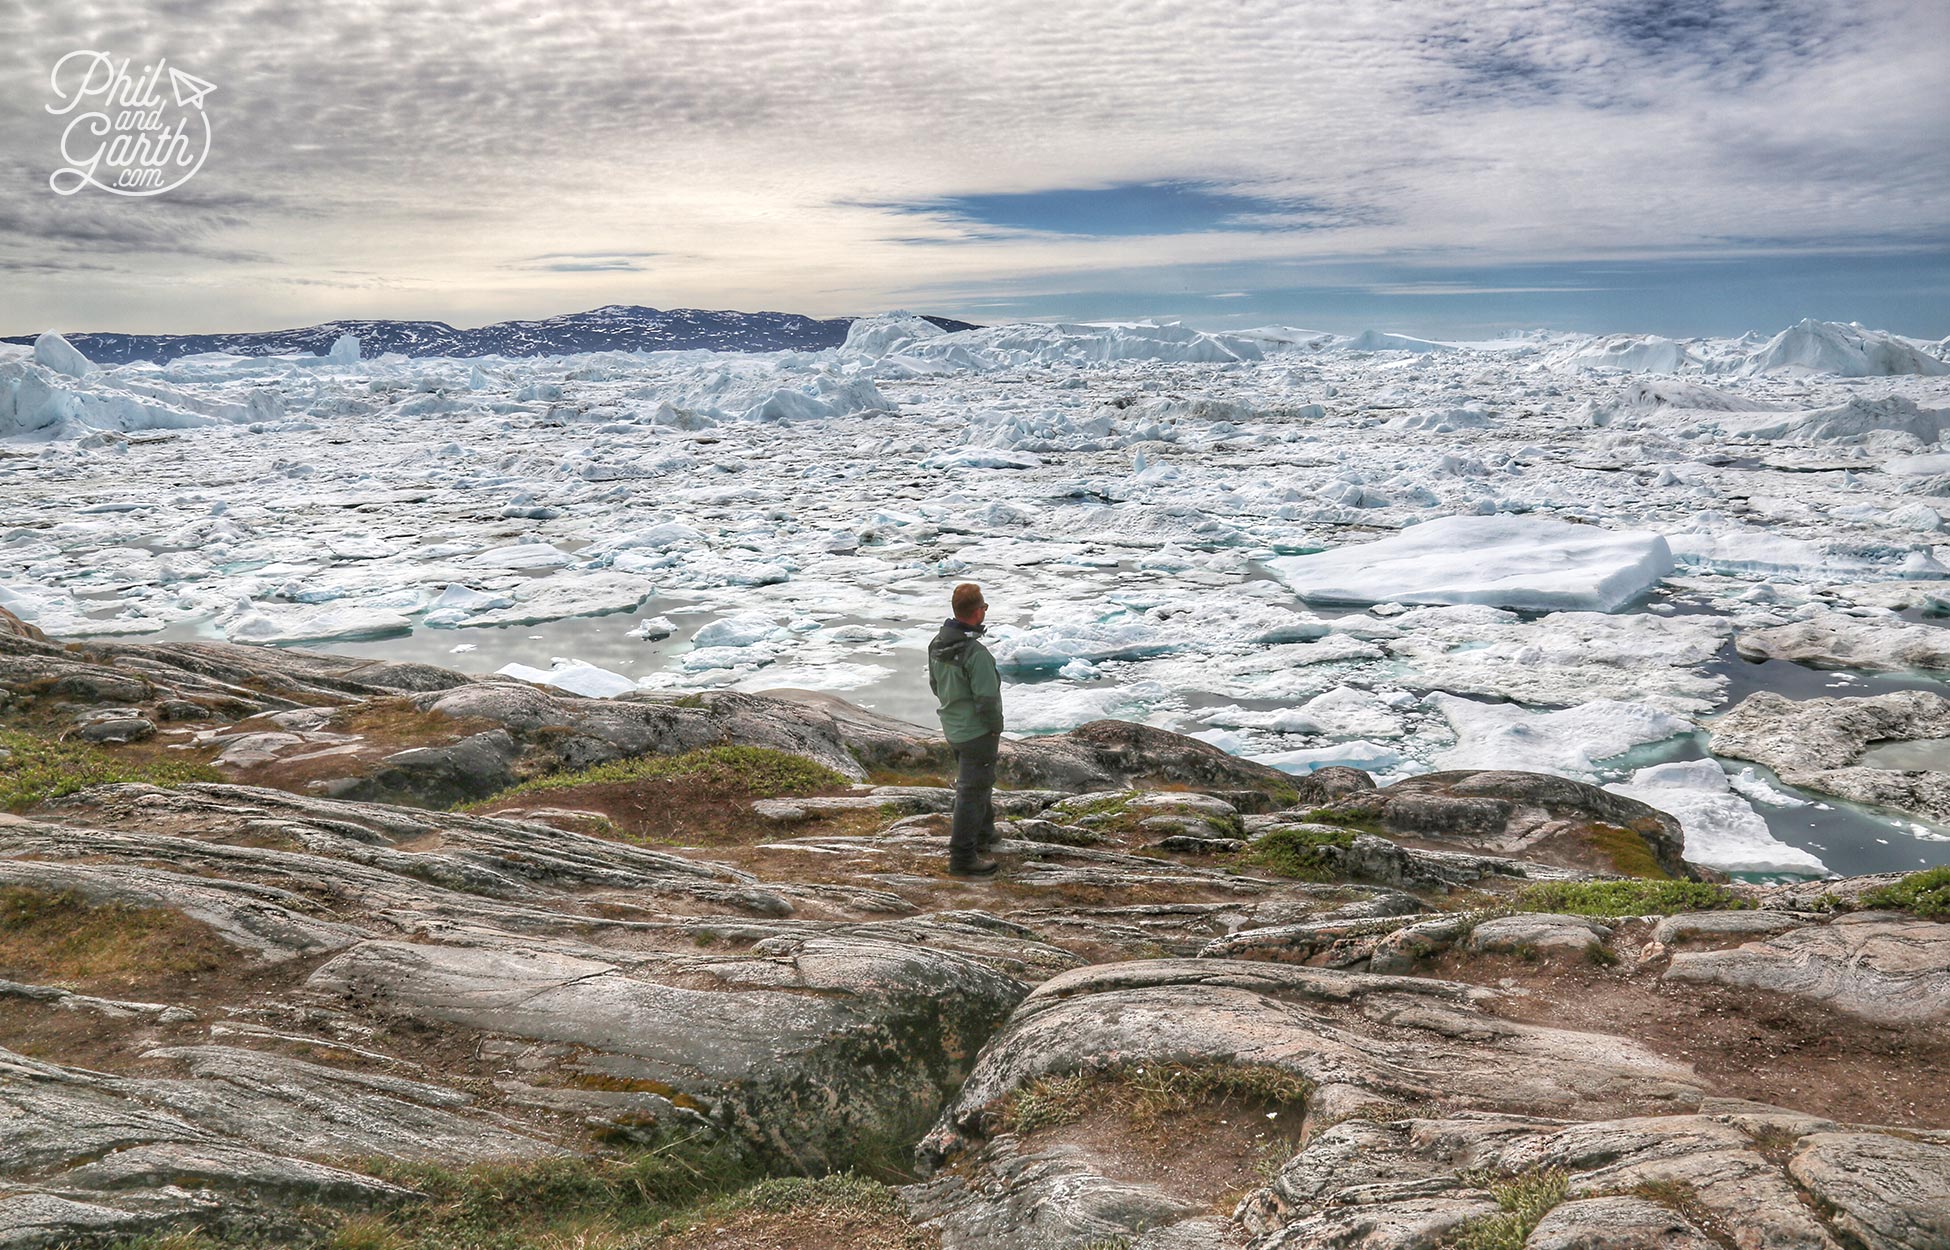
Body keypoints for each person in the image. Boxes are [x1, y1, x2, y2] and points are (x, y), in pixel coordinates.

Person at [928, 582, 1004, 876]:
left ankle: (986, 832)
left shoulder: (937, 644)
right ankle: (962, 859)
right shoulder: (976, 654)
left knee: (978, 781)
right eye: (984, 607)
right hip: (976, 732)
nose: (985, 611)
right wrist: (994, 728)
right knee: (971, 791)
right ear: (976, 613)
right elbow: (986, 699)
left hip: (954, 727)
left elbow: (935, 685)